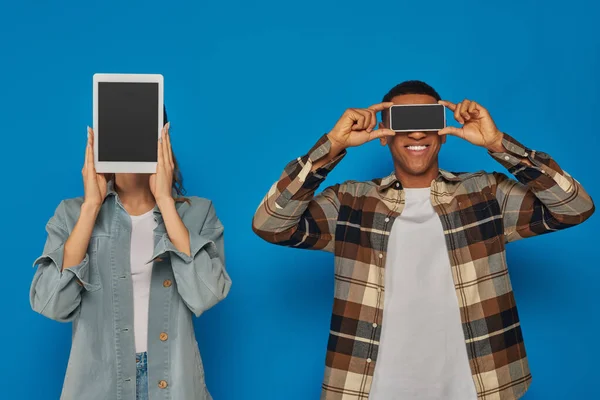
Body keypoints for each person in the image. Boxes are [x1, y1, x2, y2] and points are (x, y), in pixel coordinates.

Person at [252, 80, 594, 400]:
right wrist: (331, 146)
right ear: (383, 134)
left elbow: (575, 207)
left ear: (444, 133)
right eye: (402, 121)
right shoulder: (350, 202)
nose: (416, 131)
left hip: (477, 388)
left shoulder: (486, 194)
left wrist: (498, 144)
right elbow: (271, 224)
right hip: (371, 389)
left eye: (427, 119)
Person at [30, 109, 232, 400]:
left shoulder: (196, 213)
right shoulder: (71, 214)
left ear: (162, 138)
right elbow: (52, 303)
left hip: (173, 383)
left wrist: (165, 201)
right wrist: (90, 207)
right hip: (98, 383)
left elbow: (205, 295)